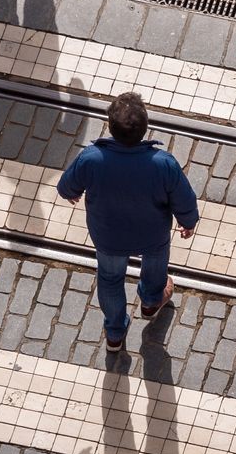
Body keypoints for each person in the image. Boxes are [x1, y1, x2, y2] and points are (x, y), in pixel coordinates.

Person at [55, 92, 201, 352]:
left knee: (110, 279)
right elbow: (183, 198)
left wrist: (73, 193)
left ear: (110, 128)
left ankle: (114, 333)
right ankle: (151, 301)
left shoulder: (92, 158)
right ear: (145, 130)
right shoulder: (162, 163)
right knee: (156, 266)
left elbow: (66, 187)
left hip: (108, 236)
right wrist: (188, 222)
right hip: (152, 234)